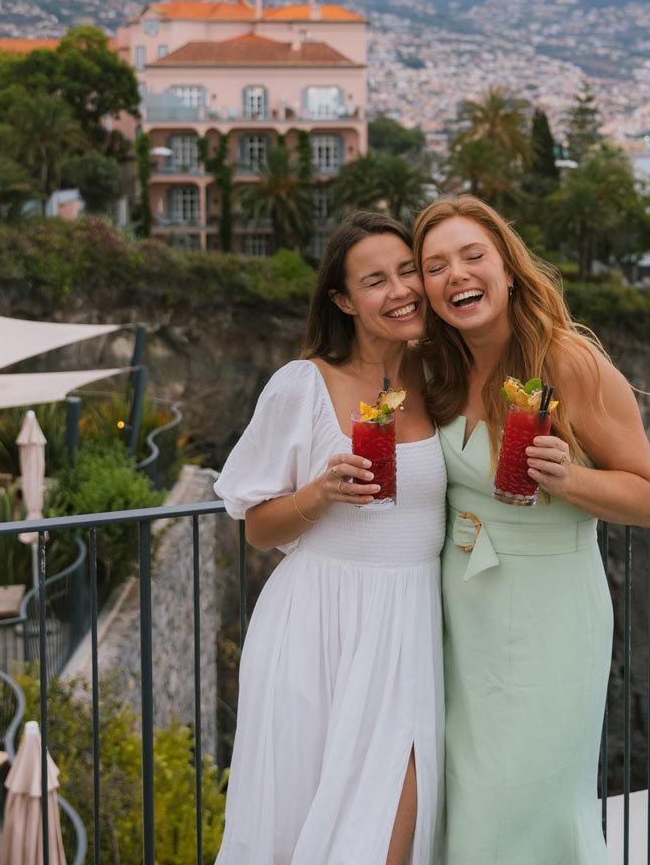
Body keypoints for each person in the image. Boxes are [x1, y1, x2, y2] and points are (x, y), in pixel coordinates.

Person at [413, 196, 650, 864]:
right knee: (467, 790)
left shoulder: (568, 363)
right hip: (463, 610)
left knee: (521, 800)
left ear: (508, 268)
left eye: (472, 256)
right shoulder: (438, 369)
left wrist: (567, 478)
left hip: (550, 612)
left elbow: (646, 499)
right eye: (435, 266)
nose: (456, 275)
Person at [214, 212, 445, 865]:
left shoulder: (436, 379)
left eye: (408, 271)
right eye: (376, 280)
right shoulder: (302, 385)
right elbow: (257, 528)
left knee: (393, 821)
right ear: (343, 300)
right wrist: (319, 494)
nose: (400, 290)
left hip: (409, 625)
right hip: (318, 628)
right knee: (304, 820)